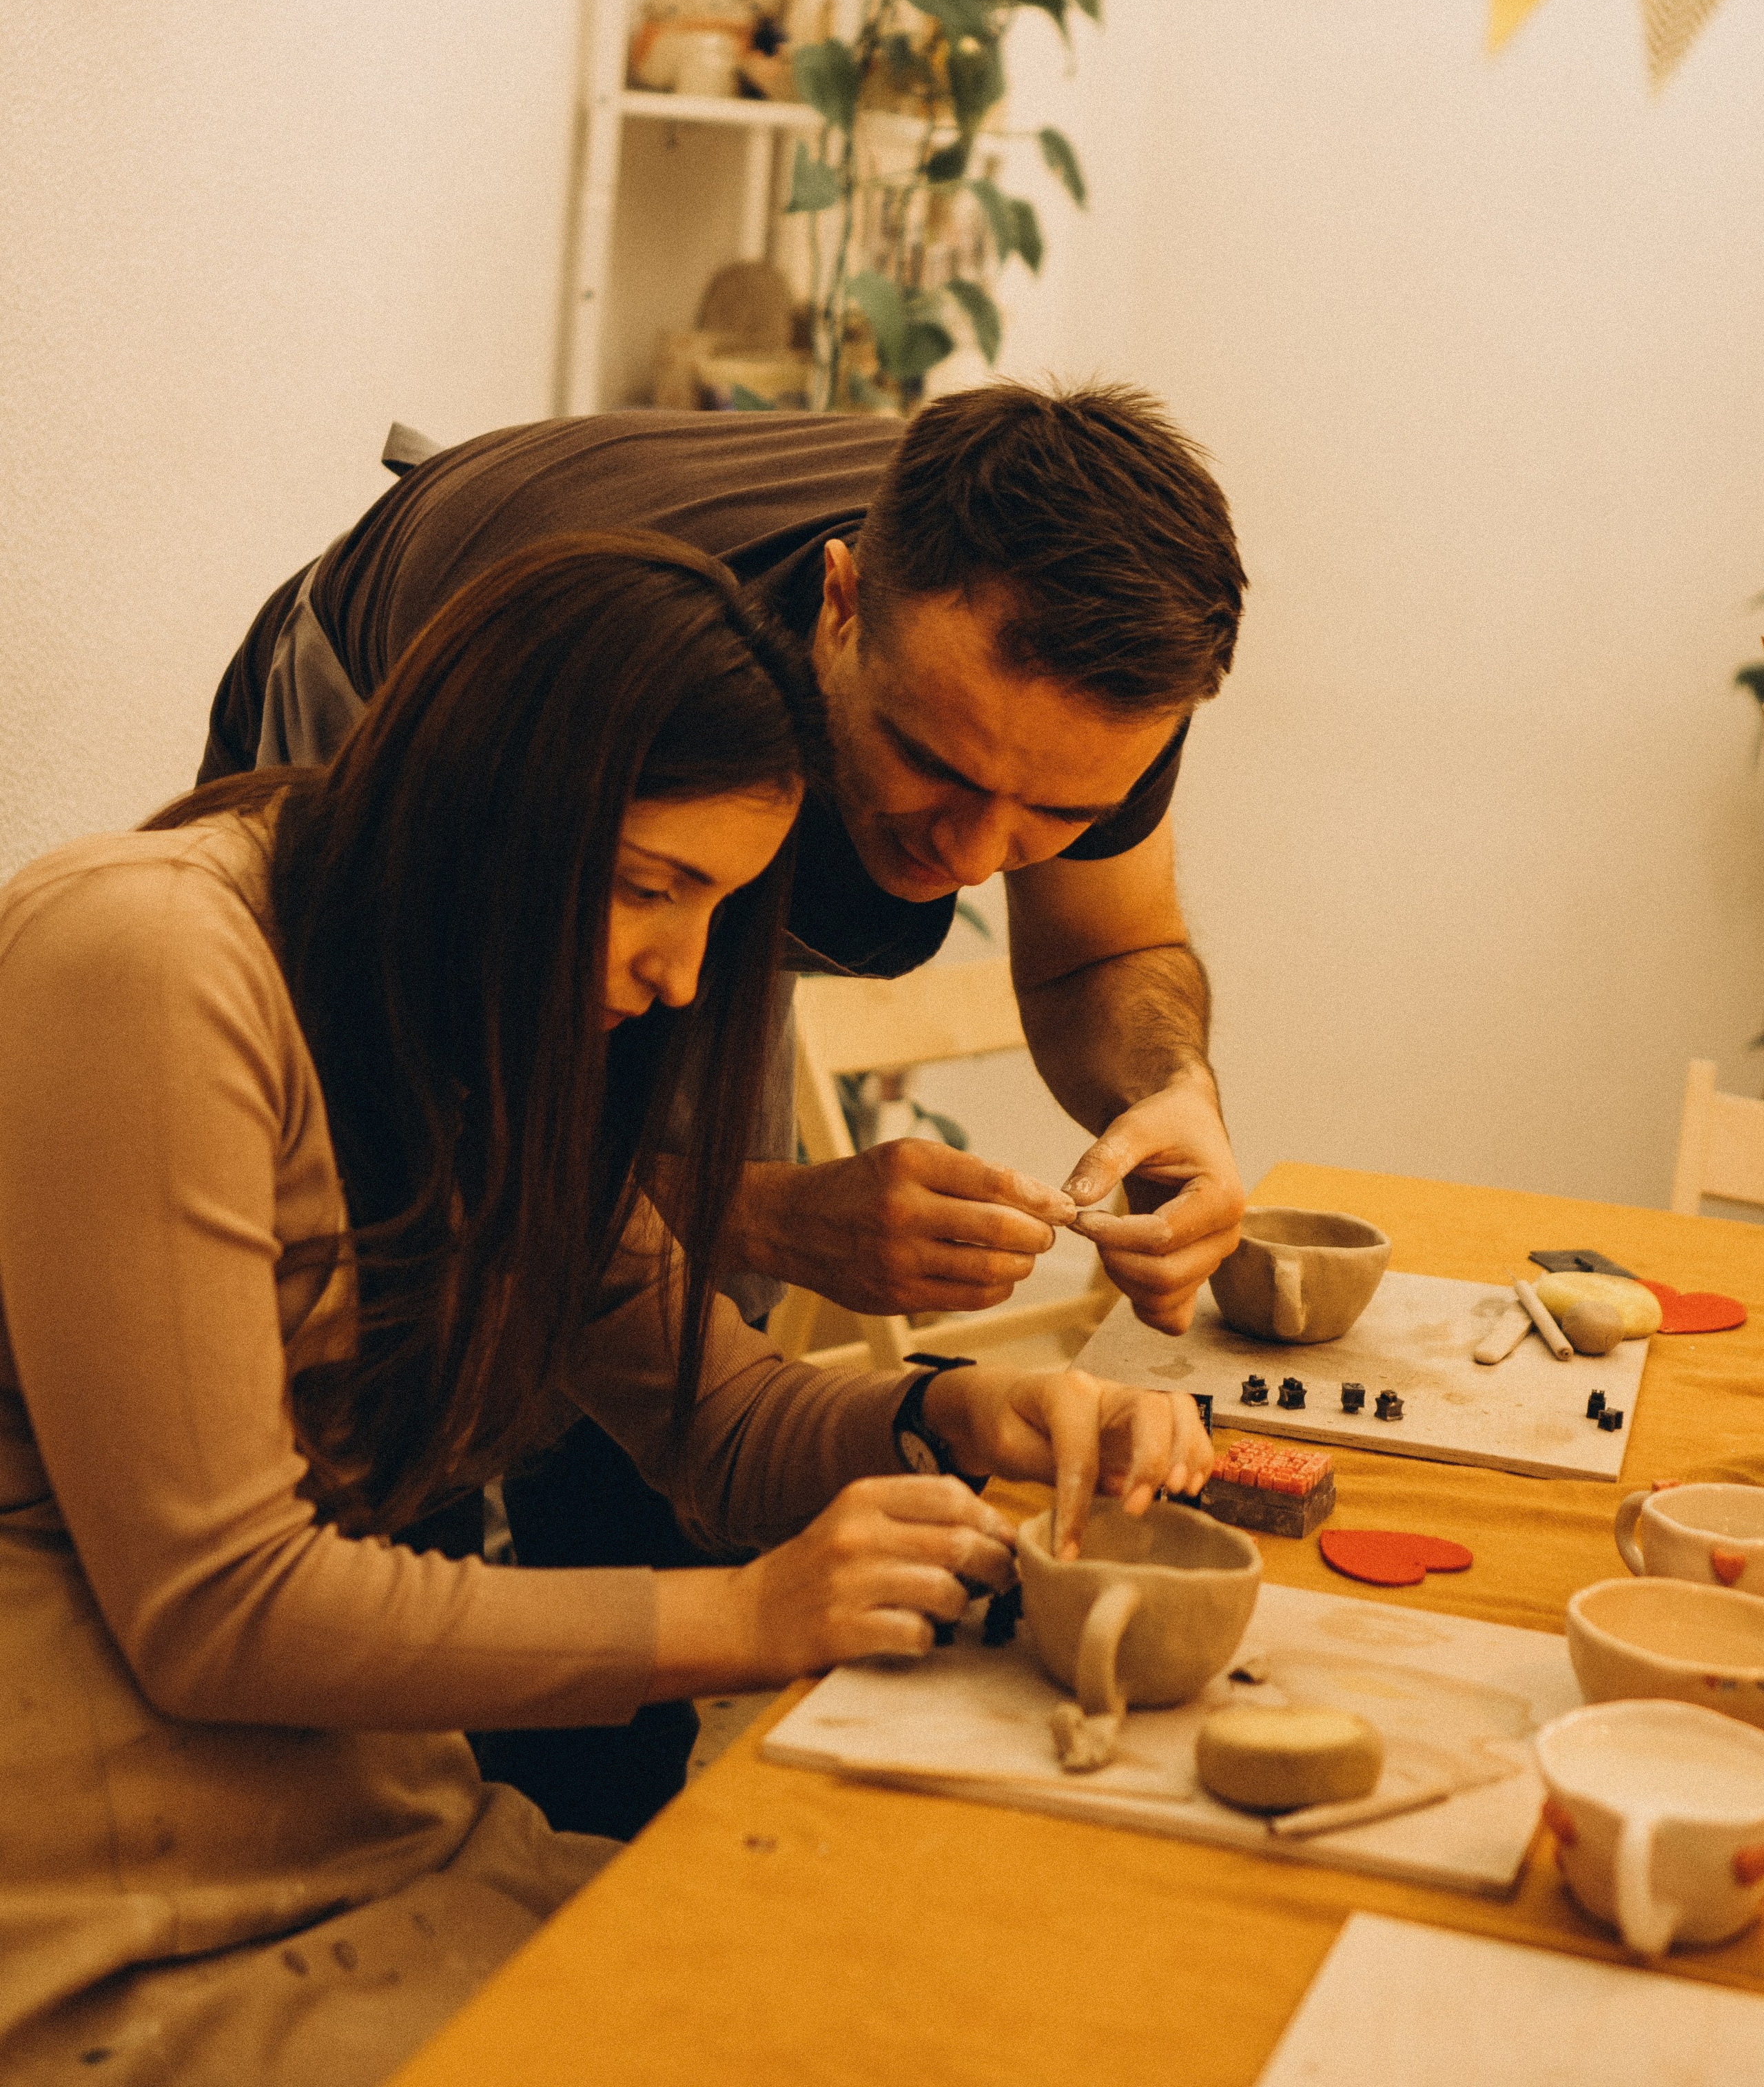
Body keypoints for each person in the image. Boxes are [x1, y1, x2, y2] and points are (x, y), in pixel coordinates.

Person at [0, 533, 1211, 2087]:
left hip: (382, 1833)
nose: (681, 974)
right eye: (654, 889)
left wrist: (956, 1414)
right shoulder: (149, 959)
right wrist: (744, 1618)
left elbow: (723, 1419)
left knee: (981, 1998)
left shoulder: (471, 1010)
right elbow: (221, 1610)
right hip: (109, 1915)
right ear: (485, 814)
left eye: (720, 907)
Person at [203, 383, 1251, 1338]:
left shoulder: (1099, 695)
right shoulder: (580, 671)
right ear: (841, 605)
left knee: (710, 1314)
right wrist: (756, 1214)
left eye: (1057, 813)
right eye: (934, 764)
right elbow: (388, 1120)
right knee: (376, 1291)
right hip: (416, 682)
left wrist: (1172, 1092)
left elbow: (1097, 956)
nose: (974, 858)